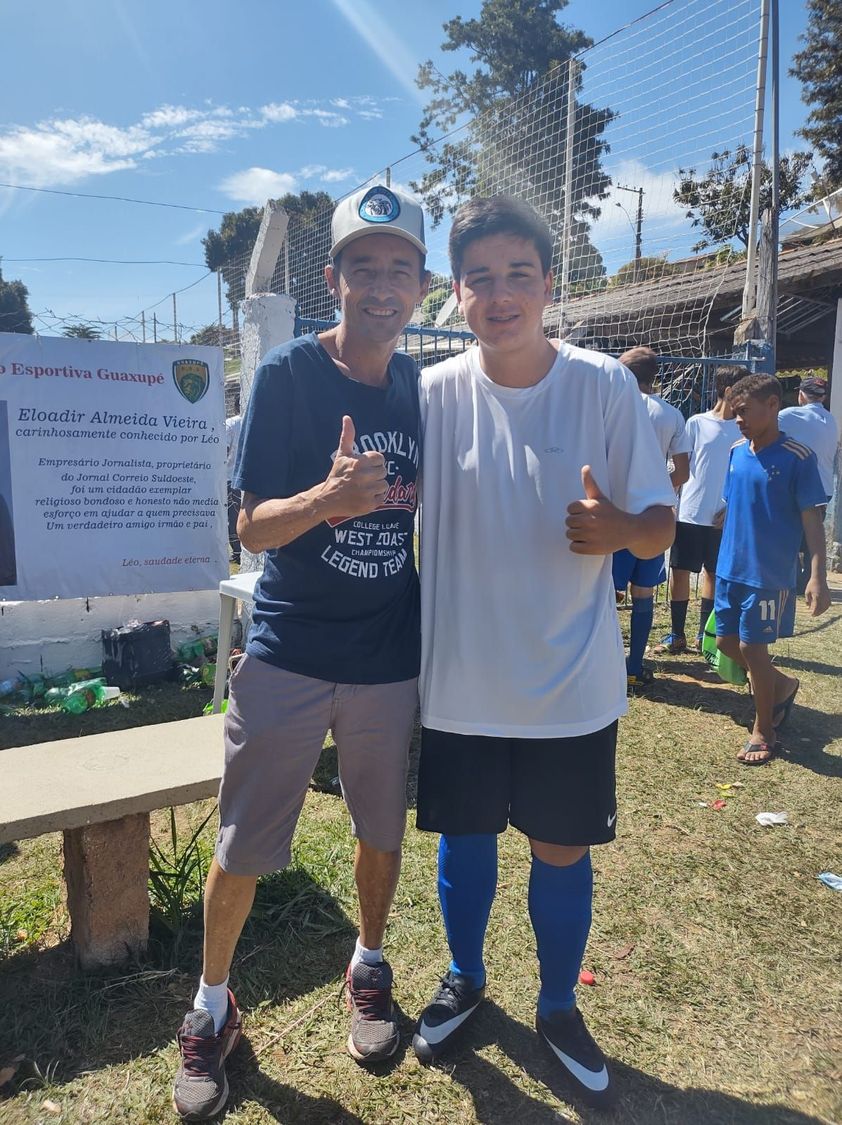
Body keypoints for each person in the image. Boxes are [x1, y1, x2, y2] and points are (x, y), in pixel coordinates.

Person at [173, 184, 430, 1120]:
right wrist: (326, 499)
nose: (381, 284)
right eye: (363, 267)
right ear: (335, 280)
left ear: (421, 287)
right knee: (241, 841)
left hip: (385, 657)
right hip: (286, 650)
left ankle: (368, 960)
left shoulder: (416, 385)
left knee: (381, 827)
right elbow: (251, 525)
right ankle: (211, 1005)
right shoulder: (287, 374)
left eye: (399, 268)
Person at [413, 196, 675, 1109]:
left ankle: (559, 1006)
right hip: (460, 681)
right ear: (455, 293)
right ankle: (465, 974)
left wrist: (619, 528)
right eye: (479, 278)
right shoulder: (432, 394)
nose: (500, 294)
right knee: (465, 841)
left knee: (561, 851)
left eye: (518, 274)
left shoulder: (604, 385)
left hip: (571, 683)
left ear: (549, 284)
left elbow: (657, 524)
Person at [715, 373, 830, 765]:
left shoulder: (798, 457)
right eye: (734, 412)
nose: (738, 419)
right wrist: (726, 514)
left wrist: (817, 574)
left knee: (752, 647)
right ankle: (782, 686)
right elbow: (738, 500)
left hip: (768, 573)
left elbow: (812, 520)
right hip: (730, 567)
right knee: (725, 644)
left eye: (744, 412)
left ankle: (765, 730)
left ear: (773, 406)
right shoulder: (735, 451)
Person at [610, 346, 690, 690]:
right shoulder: (671, 414)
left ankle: (605, 663)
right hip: (652, 519)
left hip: (614, 514)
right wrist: (656, 489)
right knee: (643, 592)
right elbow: (683, 471)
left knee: (604, 594)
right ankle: (635, 664)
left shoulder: (611, 408)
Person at [656, 366, 743, 654]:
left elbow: (743, 474)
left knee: (714, 574)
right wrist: (672, 504)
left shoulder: (744, 429)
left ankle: (703, 636)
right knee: (679, 572)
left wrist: (732, 509)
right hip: (689, 513)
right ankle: (677, 634)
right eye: (742, 389)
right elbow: (681, 468)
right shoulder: (696, 423)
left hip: (722, 517)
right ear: (728, 390)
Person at [779, 374, 839, 591]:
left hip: (800, 486)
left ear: (801, 395)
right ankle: (807, 578)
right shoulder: (830, 419)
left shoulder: (789, 415)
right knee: (811, 534)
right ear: (822, 398)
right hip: (824, 488)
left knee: (790, 533)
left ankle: (795, 580)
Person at [225, 398, 243, 566]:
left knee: (233, 517)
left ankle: (237, 553)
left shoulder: (231, 424)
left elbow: (224, 449)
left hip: (231, 477)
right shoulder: (257, 419)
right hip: (249, 478)